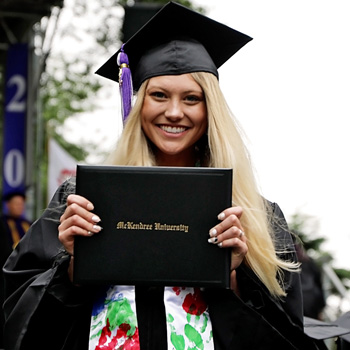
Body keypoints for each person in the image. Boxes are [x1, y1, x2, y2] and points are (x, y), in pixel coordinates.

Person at [3, 2, 321, 349]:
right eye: (158, 95)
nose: (174, 112)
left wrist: (233, 278)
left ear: (209, 108)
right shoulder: (82, 201)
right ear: (139, 103)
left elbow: (291, 342)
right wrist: (71, 271)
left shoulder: (254, 216)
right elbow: (15, 323)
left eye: (191, 98)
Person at [0, 191, 31, 348]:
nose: (19, 207)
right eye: (16, 203)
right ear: (8, 205)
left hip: (26, 277)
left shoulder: (29, 224)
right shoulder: (2, 224)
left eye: (21, 204)